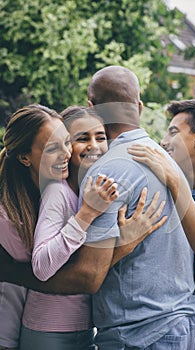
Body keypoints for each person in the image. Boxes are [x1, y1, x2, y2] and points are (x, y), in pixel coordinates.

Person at [0, 68, 195, 350]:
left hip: (89, 329)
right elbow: (78, 273)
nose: (94, 146)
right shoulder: (62, 193)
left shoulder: (90, 187)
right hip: (52, 327)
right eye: (80, 139)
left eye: (100, 136)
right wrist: (120, 239)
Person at [0, 104, 122, 349]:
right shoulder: (7, 215)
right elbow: (44, 272)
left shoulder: (53, 192)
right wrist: (88, 215)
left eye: (66, 142)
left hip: (65, 327)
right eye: (52, 148)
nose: (66, 153)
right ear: (25, 157)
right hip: (11, 329)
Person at [128, 99, 195, 350]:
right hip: (182, 333)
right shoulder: (167, 193)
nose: (164, 141)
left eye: (173, 131)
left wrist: (173, 180)